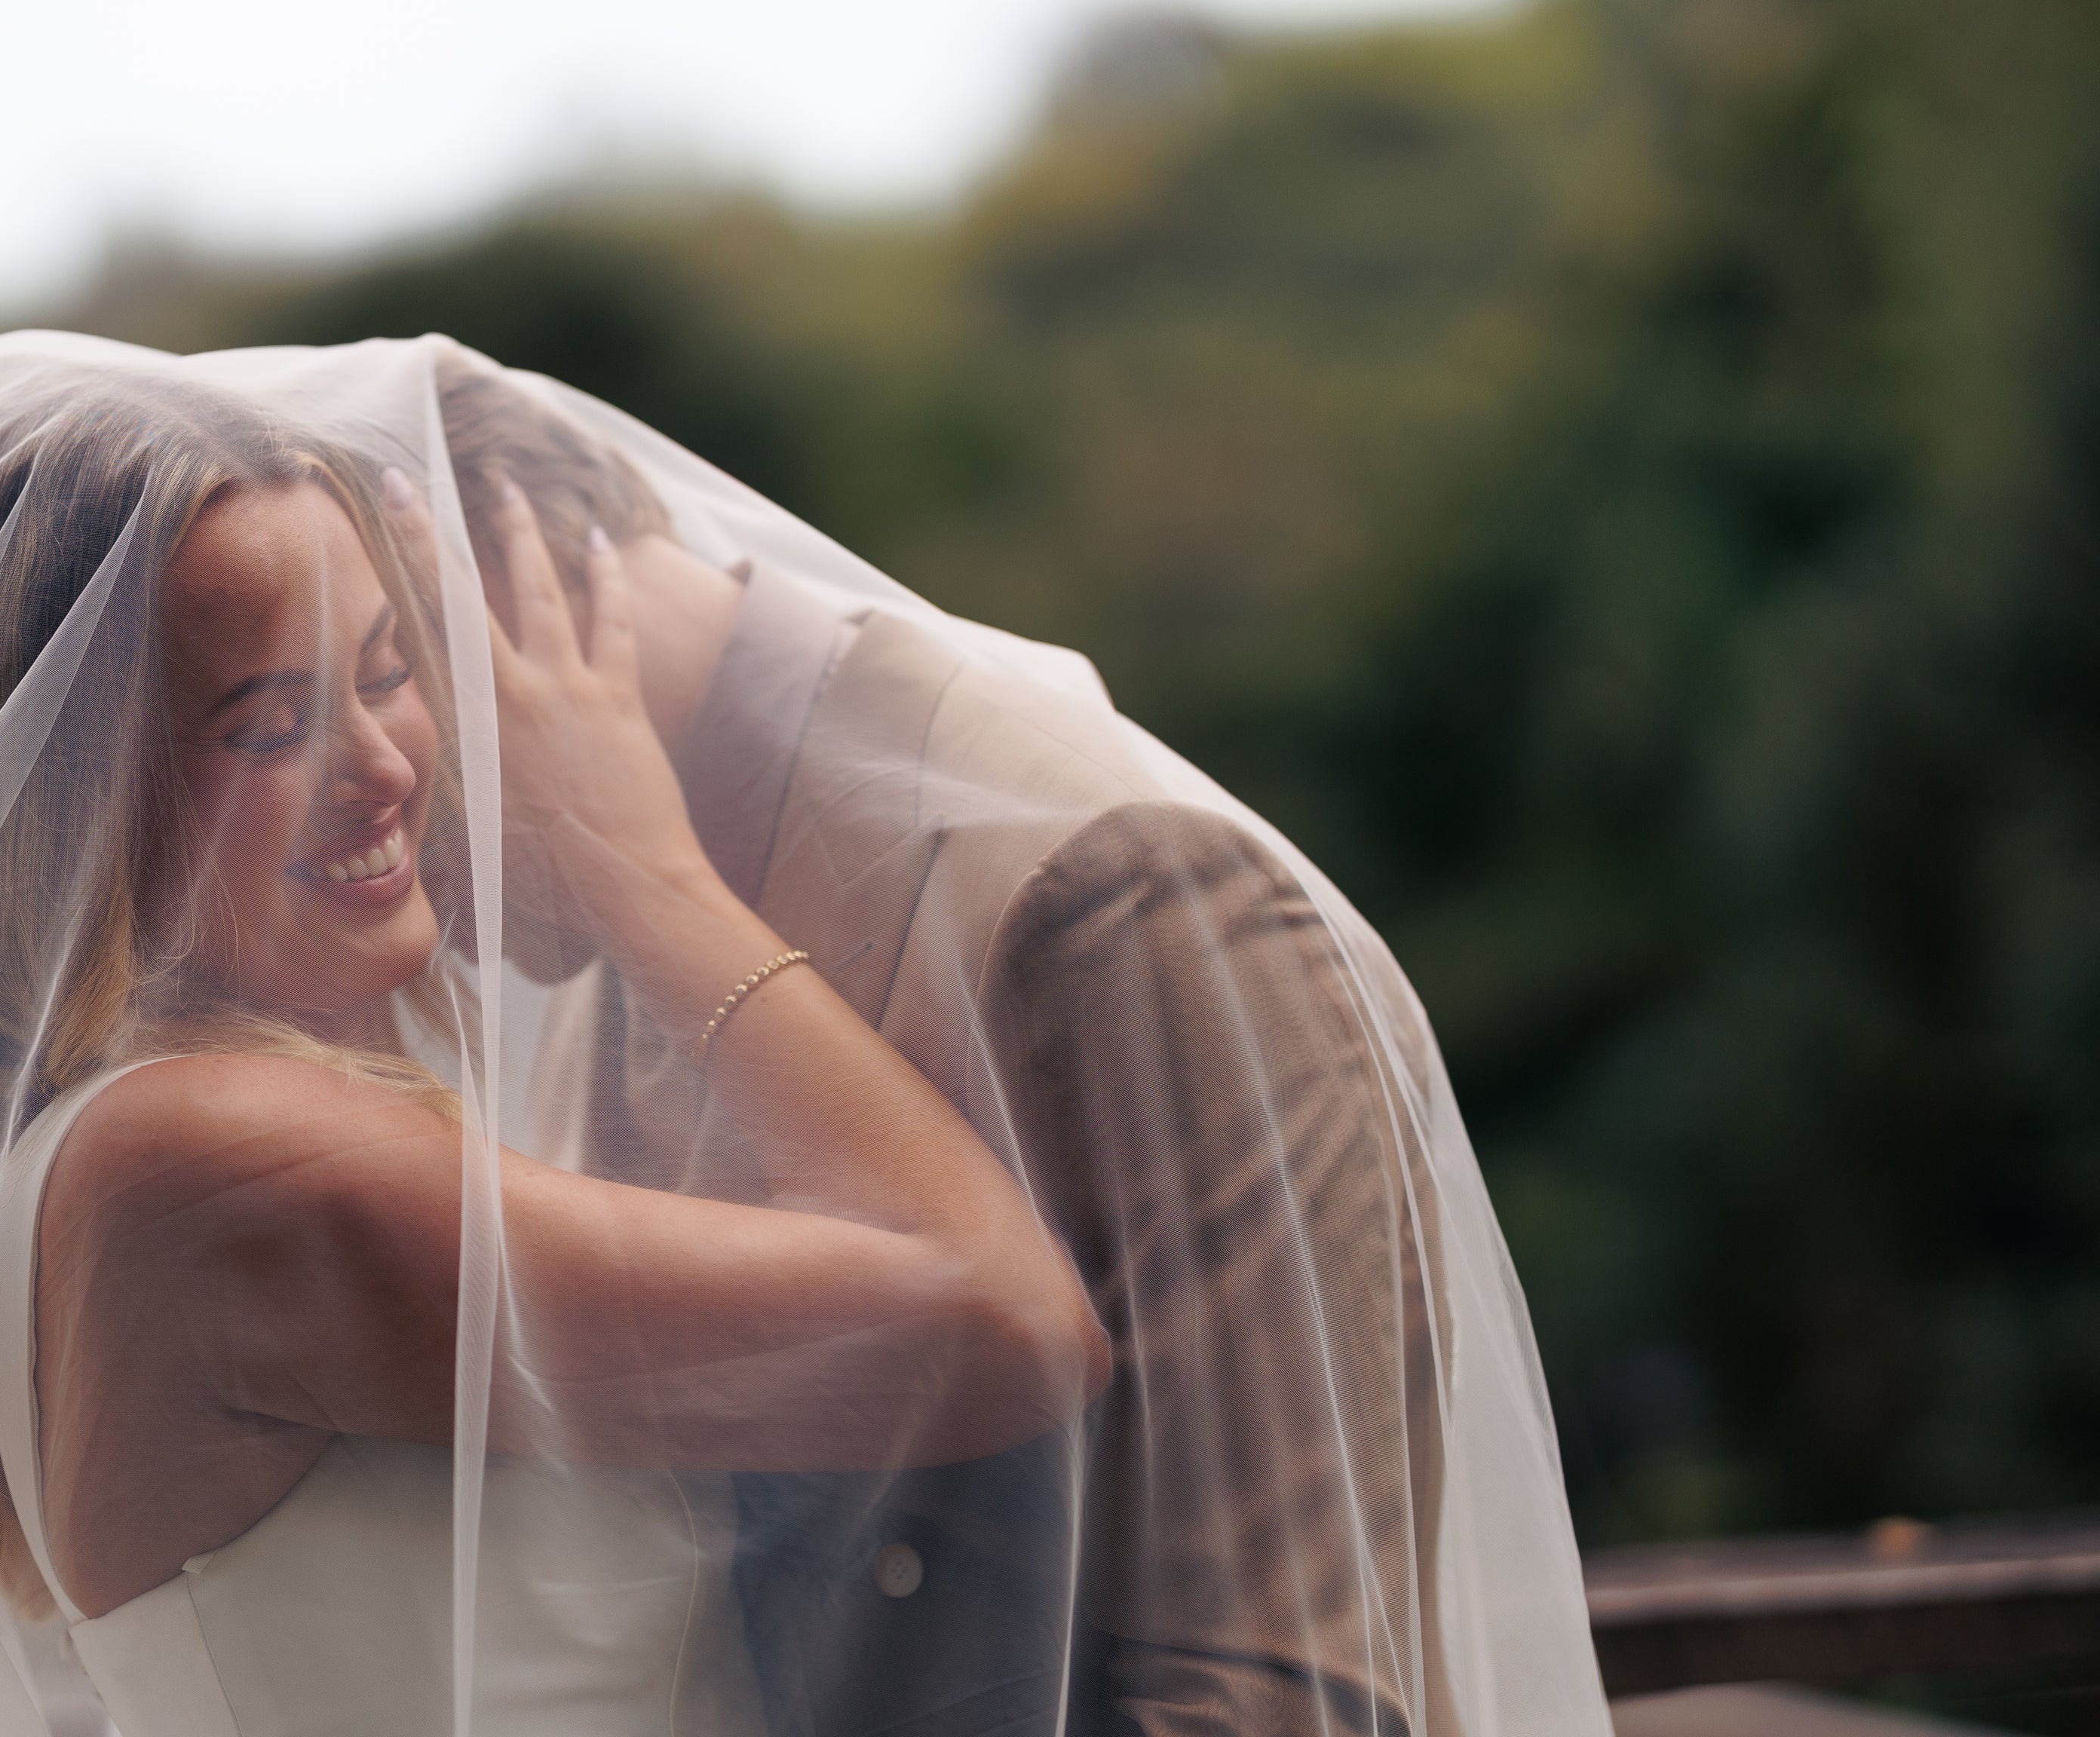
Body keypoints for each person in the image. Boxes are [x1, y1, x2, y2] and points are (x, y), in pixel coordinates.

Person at [0, 332, 1607, 1737]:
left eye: (395, 672)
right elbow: (999, 1317)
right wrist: (654, 882)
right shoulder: (218, 1169)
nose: (393, 767)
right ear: (75, 805)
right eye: (270, 719)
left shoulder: (177, 1144)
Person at [434, 347, 1613, 1737]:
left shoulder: (1120, 892)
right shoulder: (637, 909)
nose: (371, 805)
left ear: (502, 602)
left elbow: (1279, 1693)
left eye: (361, 689)